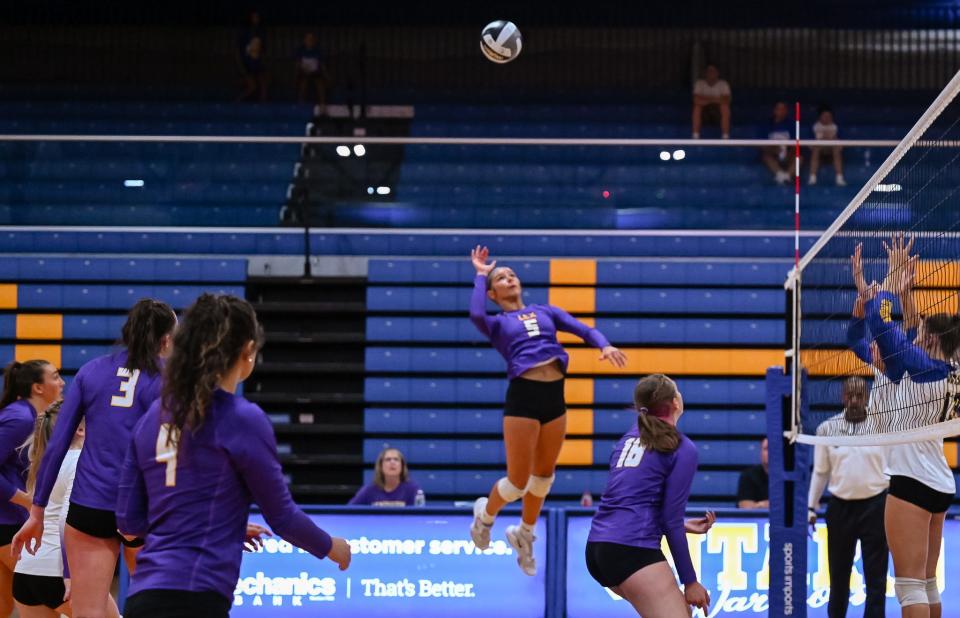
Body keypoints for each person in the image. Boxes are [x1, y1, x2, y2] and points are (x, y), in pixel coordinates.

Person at [116, 294, 350, 618]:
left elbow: (128, 522)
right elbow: (281, 516)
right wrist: (331, 547)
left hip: (142, 598)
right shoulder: (242, 418)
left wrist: (211, 526)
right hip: (197, 599)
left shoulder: (151, 418)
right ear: (247, 351)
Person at [467, 245, 627, 576]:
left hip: (554, 396)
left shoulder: (546, 311)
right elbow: (476, 315)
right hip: (523, 398)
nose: (508, 278)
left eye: (511, 274)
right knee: (516, 482)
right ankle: (484, 516)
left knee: (543, 478)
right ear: (493, 293)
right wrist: (480, 276)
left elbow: (583, 329)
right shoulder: (498, 322)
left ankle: (524, 535)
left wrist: (604, 345)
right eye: (501, 278)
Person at [13, 299, 177, 618]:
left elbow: (57, 444)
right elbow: (173, 452)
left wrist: (37, 511)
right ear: (167, 340)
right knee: (157, 607)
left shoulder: (91, 371)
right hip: (142, 507)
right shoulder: (171, 380)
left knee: (88, 612)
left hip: (91, 505)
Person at [855, 237, 959, 618]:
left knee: (910, 585)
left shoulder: (920, 370)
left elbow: (887, 329)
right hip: (938, 480)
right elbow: (911, 330)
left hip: (911, 479)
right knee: (927, 582)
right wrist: (906, 291)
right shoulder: (946, 370)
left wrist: (881, 291)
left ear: (931, 341)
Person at [586, 374, 713, 616]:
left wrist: (683, 525)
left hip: (598, 548)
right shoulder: (682, 448)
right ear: (676, 402)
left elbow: (631, 500)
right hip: (631, 549)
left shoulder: (629, 438)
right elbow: (669, 520)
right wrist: (690, 582)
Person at [808, 377, 889, 618]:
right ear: (843, 397)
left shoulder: (883, 426)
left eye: (859, 395)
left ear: (866, 397)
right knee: (839, 578)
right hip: (840, 508)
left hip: (876, 505)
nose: (854, 400)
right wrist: (811, 507)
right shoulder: (827, 428)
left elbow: (895, 469)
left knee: (876, 579)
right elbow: (820, 472)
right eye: (850, 395)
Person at [12, 405, 103, 618]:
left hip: (26, 570)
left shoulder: (43, 464)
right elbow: (65, 518)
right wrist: (69, 573)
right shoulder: (81, 460)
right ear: (80, 430)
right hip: (58, 570)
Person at [0, 361, 63, 617]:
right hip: (8, 524)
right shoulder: (21, 418)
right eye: (56, 377)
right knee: (56, 596)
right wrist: (26, 501)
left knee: (3, 606)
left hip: (8, 522)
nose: (62, 383)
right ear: (38, 387)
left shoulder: (27, 415)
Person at [349, 447, 422, 506]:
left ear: (402, 466)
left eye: (396, 459)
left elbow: (419, 516)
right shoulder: (368, 490)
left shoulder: (412, 489)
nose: (392, 462)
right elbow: (349, 512)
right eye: (388, 459)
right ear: (380, 466)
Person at [809, 106, 847, 186]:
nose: (826, 118)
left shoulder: (836, 127)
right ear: (820, 117)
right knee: (816, 149)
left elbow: (842, 144)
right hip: (819, 153)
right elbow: (809, 145)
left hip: (832, 153)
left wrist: (832, 139)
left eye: (828, 116)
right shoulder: (815, 127)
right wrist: (821, 140)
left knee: (836, 149)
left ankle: (839, 178)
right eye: (824, 116)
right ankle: (812, 177)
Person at [691, 64, 731, 139]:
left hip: (718, 115)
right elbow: (696, 100)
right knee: (697, 107)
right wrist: (716, 99)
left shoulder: (723, 84)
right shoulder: (699, 83)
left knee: (724, 107)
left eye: (713, 71)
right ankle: (695, 135)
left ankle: (725, 136)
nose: (711, 73)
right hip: (704, 115)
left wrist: (705, 98)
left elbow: (726, 100)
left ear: (717, 73)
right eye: (709, 71)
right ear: (705, 73)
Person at [760, 101, 795, 185]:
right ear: (774, 111)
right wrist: (773, 149)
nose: (781, 111)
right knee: (765, 156)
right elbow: (760, 143)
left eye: (783, 109)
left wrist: (788, 152)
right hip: (773, 154)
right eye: (779, 109)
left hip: (788, 154)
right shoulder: (766, 125)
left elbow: (795, 142)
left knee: (799, 158)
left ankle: (787, 176)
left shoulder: (791, 125)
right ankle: (781, 175)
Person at [295, 32, 329, 110]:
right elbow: (297, 64)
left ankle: (322, 104)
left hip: (315, 72)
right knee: (303, 82)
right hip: (304, 72)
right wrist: (300, 71)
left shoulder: (318, 50)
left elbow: (322, 65)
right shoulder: (300, 50)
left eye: (311, 39)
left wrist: (327, 76)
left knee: (320, 83)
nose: (309, 41)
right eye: (308, 39)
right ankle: (300, 103)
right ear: (304, 40)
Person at [736, 438, 769, 509]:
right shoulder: (748, 475)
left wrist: (759, 505)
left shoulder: (787, 477)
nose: (771, 452)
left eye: (774, 449)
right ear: (761, 452)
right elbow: (745, 507)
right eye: (766, 449)